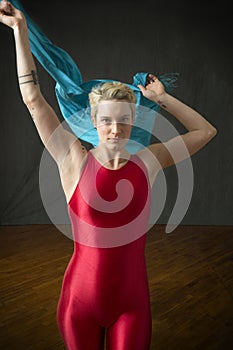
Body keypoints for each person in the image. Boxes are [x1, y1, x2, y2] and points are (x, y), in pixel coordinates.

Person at [0, 1, 217, 349]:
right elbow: (32, 98)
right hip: (78, 304)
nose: (115, 129)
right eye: (106, 120)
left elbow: (205, 132)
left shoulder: (148, 162)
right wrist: (20, 30)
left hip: (131, 306)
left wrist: (162, 99)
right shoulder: (72, 158)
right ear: (93, 121)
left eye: (123, 120)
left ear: (134, 122)